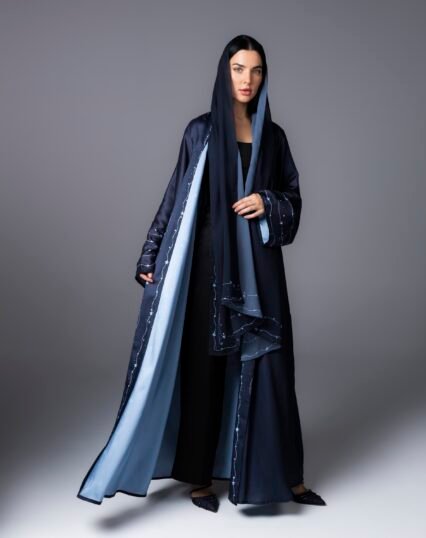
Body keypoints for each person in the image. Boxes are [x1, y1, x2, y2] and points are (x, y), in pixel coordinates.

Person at [77, 35, 326, 512]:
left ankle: (286, 477)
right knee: (204, 368)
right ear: (224, 72)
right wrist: (150, 253)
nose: (247, 80)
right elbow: (175, 196)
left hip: (260, 270)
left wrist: (267, 201)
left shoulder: (274, 137)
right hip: (206, 265)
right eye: (238, 69)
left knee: (270, 366)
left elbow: (293, 200)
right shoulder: (201, 131)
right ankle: (198, 479)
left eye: (256, 70)